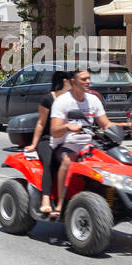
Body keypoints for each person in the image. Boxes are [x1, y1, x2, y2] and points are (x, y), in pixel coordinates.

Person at [50, 68, 119, 203]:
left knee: (113, 161)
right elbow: (54, 130)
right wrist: (67, 126)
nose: (88, 82)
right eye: (84, 79)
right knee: (67, 161)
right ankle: (60, 202)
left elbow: (105, 124)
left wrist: (122, 127)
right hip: (65, 144)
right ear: (73, 81)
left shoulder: (93, 100)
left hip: (88, 144)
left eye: (89, 78)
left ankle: (111, 199)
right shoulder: (62, 101)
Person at [25, 70, 72, 217]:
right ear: (65, 81)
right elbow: (41, 123)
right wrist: (34, 144)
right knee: (50, 162)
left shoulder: (72, 100)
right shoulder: (48, 99)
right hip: (47, 139)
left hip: (67, 138)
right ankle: (45, 198)